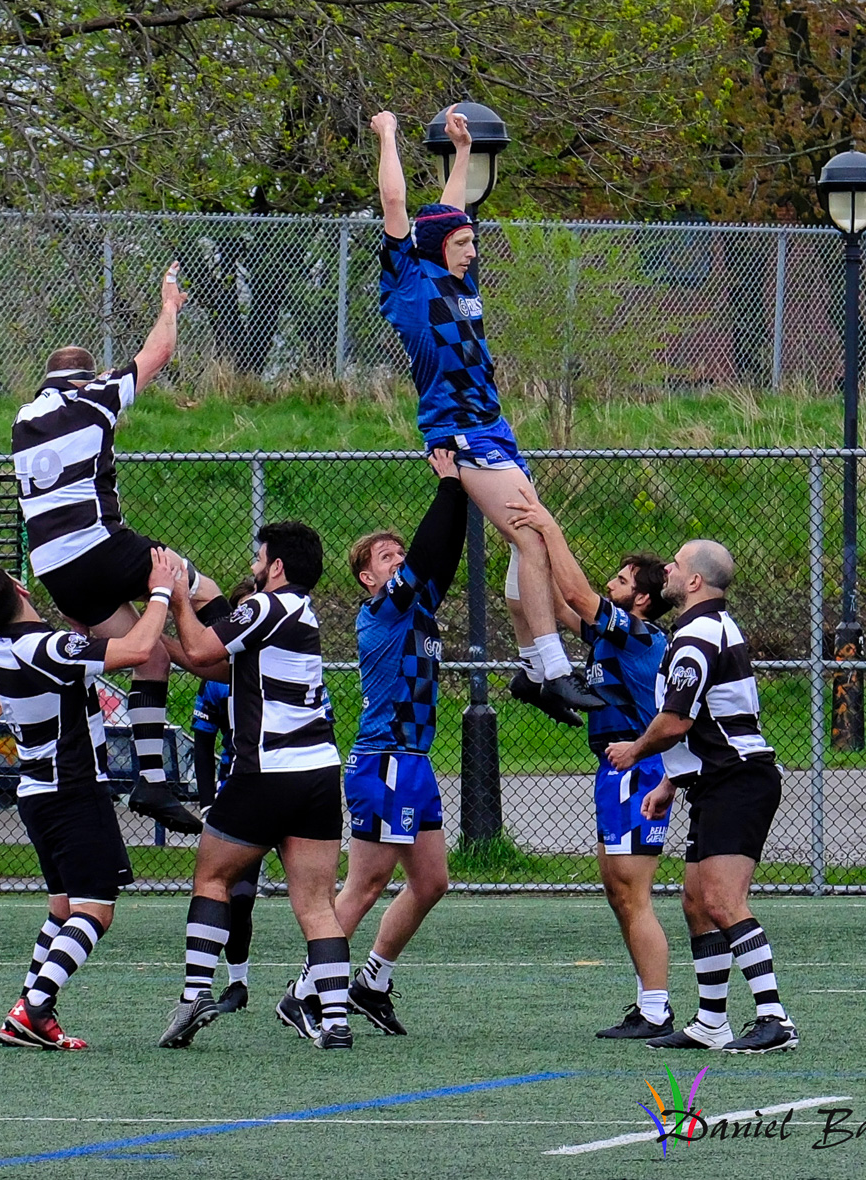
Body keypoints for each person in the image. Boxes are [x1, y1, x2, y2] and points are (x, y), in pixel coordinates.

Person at [370, 104, 601, 720]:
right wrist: (389, 135)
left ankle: (531, 670)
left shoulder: (460, 281)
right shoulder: (409, 285)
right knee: (530, 533)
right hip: (461, 433)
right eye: (464, 242)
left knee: (530, 545)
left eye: (472, 240)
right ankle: (551, 669)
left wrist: (464, 154)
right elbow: (399, 210)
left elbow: (450, 213)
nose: (473, 248)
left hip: (496, 427)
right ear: (438, 248)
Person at [12, 260, 228, 836]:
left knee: (147, 652)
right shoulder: (92, 398)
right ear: (86, 378)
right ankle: (236, 667)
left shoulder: (24, 417)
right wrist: (168, 307)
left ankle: (151, 781)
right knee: (195, 584)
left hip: (58, 573)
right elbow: (155, 355)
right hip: (98, 547)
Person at [0, 549, 181, 1050]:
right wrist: (162, 588)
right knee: (95, 911)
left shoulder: (6, 646)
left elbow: (78, 655)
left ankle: (28, 1007)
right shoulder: (50, 647)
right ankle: (35, 1008)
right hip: (74, 790)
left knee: (62, 908)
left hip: (39, 794)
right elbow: (141, 649)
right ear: (21, 590)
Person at [282, 450, 465, 1040]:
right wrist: (449, 487)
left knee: (432, 881)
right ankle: (307, 990)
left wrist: (457, 495)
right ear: (367, 577)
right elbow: (431, 550)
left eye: (400, 555)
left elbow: (442, 554)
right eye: (389, 557)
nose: (402, 560)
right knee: (363, 884)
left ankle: (371, 983)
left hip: (411, 761)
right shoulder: (383, 610)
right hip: (382, 760)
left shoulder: (416, 608)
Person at [158, 521, 353, 1051]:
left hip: (265, 771)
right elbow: (225, 667)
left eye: (259, 557)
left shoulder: (266, 606)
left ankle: (196, 993)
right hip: (317, 774)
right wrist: (152, 642)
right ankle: (335, 1020)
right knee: (316, 903)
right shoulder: (301, 613)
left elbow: (201, 650)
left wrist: (175, 595)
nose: (253, 565)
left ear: (278, 567)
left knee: (212, 878)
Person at [605, 540, 798, 1054]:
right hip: (717, 780)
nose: (666, 568)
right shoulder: (706, 628)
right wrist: (672, 781)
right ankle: (711, 1023)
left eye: (676, 564)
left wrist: (637, 750)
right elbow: (708, 720)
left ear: (693, 582)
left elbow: (677, 722)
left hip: (739, 781)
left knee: (721, 900)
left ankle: (774, 1018)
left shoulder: (696, 636)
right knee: (695, 902)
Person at [506, 490, 677, 1039]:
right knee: (617, 891)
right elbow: (554, 604)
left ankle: (657, 1010)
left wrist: (548, 524)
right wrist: (522, 544)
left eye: (623, 582)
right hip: (614, 768)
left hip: (638, 765)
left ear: (644, 600)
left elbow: (577, 596)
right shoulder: (612, 636)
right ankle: (648, 1004)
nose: (611, 585)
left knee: (633, 892)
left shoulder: (640, 633)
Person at [188, 577, 267, 1015]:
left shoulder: (287, 660)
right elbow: (202, 741)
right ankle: (235, 982)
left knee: (311, 894)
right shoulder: (219, 678)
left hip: (288, 787)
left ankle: (320, 987)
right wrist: (206, 801)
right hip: (239, 791)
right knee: (238, 894)